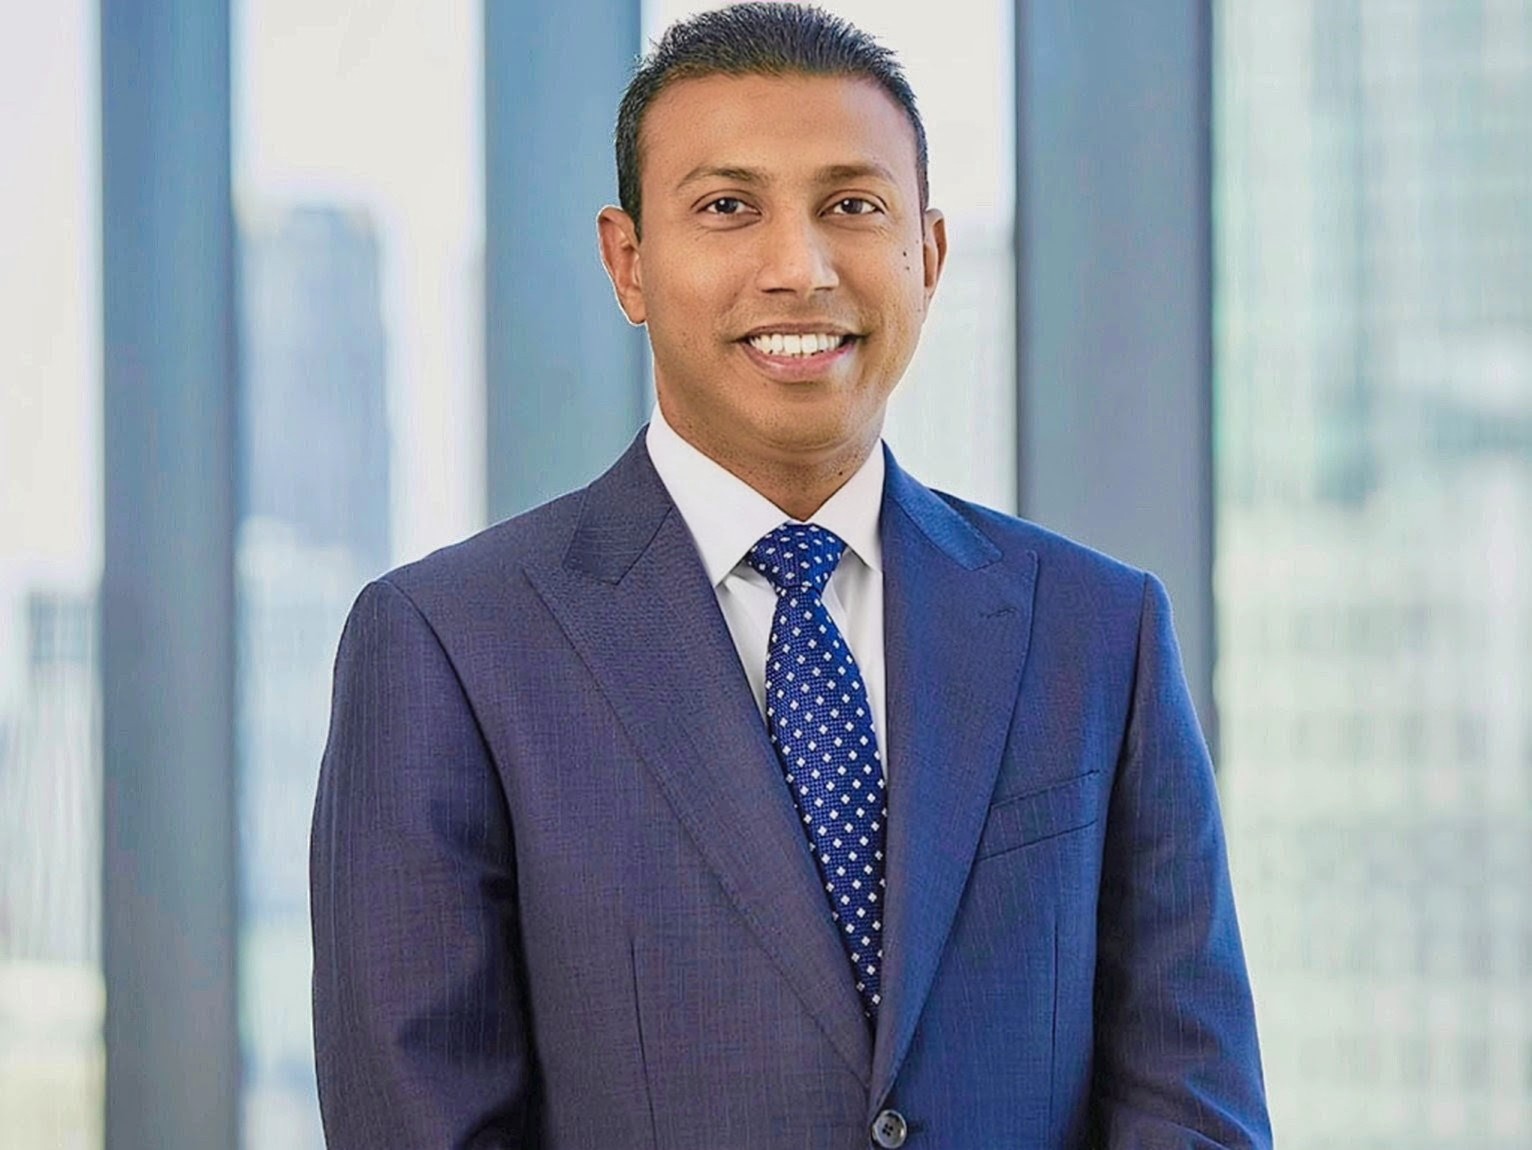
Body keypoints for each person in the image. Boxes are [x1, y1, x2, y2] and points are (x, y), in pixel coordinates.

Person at [309, 4, 1271, 1147]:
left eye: (851, 207)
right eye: (726, 208)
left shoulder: (1096, 631)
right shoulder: (448, 646)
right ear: (628, 260)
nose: (798, 267)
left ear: (927, 252)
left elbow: (1189, 1103)